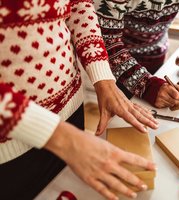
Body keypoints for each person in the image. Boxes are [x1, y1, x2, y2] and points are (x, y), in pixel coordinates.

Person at [0, 0, 158, 199]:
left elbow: (78, 5)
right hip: (11, 140)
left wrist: (103, 78)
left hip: (70, 111)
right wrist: (63, 138)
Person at [94, 0, 179, 108]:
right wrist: (146, 86)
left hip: (157, 56)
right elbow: (107, 41)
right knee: (121, 122)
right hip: (116, 67)